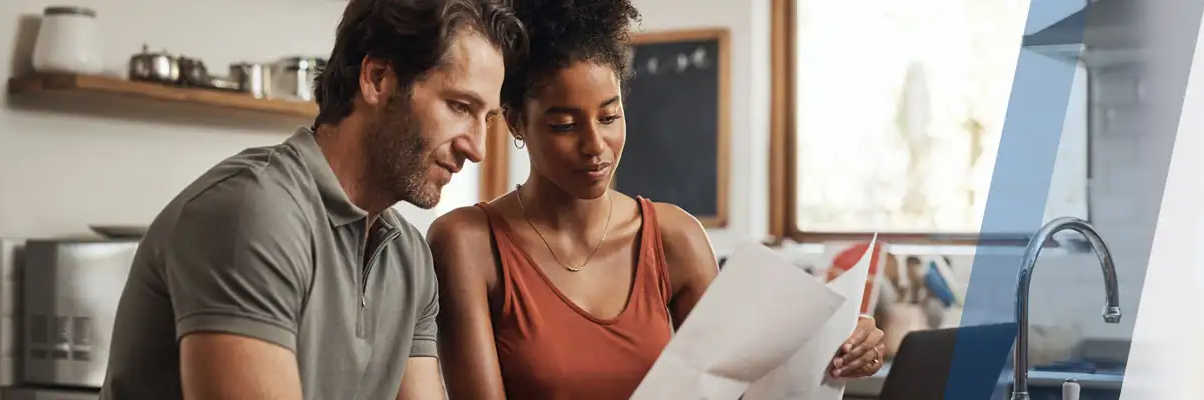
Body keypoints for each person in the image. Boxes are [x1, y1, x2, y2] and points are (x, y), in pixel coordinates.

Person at [427, 1, 887, 398]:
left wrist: (839, 347)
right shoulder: (467, 242)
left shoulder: (674, 237)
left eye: (609, 116)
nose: (595, 145)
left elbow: (744, 388)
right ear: (515, 123)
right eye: (564, 125)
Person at [98, 0, 525, 399]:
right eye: (459, 106)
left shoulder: (409, 258)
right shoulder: (252, 212)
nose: (478, 148)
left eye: (486, 118)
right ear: (377, 79)